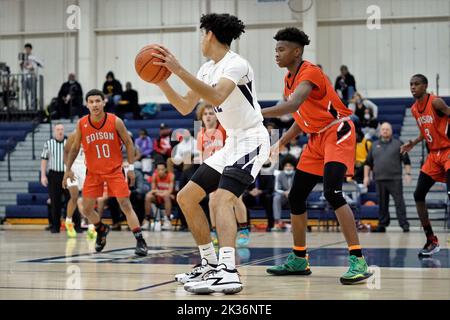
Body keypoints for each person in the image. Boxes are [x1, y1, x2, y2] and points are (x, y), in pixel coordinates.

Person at [151, 13, 270, 294]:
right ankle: (209, 264)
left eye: (201, 34)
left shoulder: (237, 64)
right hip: (232, 145)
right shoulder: (206, 69)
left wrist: (178, 70)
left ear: (210, 35)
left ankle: (228, 270)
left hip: (252, 138)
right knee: (187, 197)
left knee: (220, 199)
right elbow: (183, 106)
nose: (200, 41)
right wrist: (161, 81)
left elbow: (217, 97)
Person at [261, 27, 372, 284]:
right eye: (275, 49)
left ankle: (358, 260)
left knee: (333, 193)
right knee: (296, 196)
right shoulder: (288, 78)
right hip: (316, 138)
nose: (276, 54)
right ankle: (299, 259)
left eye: (281, 49)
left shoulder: (310, 72)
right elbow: (300, 119)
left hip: (337, 130)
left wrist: (257, 112)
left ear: (296, 51)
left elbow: (292, 106)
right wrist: (279, 143)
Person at [63, 89, 148, 256]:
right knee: (87, 209)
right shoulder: (81, 124)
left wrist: (130, 168)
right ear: (87, 105)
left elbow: (129, 144)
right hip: (93, 172)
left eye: (97, 101)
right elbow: (73, 149)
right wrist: (67, 170)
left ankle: (140, 240)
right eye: (91, 102)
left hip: (114, 170)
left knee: (125, 204)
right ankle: (102, 229)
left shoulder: (115, 121)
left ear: (104, 102)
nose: (95, 104)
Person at [400, 74, 450, 257]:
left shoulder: (436, 102)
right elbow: (425, 131)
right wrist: (413, 143)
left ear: (425, 86)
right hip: (433, 156)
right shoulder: (414, 109)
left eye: (417, 84)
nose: (413, 87)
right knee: (418, 194)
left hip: (448, 151)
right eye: (411, 84)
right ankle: (431, 240)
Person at [195, 103, 250, 247]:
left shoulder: (224, 129)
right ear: (201, 117)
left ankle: (243, 230)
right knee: (212, 200)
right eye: (205, 114)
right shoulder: (200, 135)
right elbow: (202, 158)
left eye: (211, 113)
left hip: (230, 168)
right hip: (213, 170)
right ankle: (213, 232)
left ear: (217, 116)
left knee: (236, 199)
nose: (208, 116)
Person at [364, 122, 411, 232]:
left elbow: (406, 161)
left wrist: (408, 174)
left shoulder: (399, 144)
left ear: (391, 131)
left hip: (395, 179)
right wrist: (366, 177)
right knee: (382, 203)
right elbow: (367, 163)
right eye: (383, 129)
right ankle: (382, 224)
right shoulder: (374, 145)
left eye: (387, 129)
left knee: (399, 202)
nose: (385, 131)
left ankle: (404, 224)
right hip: (379, 179)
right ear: (380, 131)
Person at [63, 132, 96, 239]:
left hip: (86, 168)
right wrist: (68, 170)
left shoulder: (93, 136)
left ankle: (91, 227)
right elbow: (66, 152)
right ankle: (68, 221)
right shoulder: (73, 135)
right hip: (73, 167)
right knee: (74, 196)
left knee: (89, 198)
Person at [40, 123, 68, 233]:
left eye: (61, 129)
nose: (60, 131)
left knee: (71, 199)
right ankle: (55, 226)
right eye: (58, 129)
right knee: (55, 201)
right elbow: (44, 159)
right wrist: (43, 175)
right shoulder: (48, 143)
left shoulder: (68, 142)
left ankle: (76, 225)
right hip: (54, 175)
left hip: (66, 174)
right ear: (54, 131)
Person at [144, 162, 175, 231]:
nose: (160, 171)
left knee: (166, 196)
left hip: (169, 199)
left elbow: (170, 191)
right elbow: (153, 190)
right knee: (148, 196)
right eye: (158, 170)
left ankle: (167, 220)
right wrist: (163, 192)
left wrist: (158, 191)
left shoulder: (171, 175)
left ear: (166, 169)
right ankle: (147, 219)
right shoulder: (155, 175)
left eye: (162, 169)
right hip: (158, 198)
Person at [272, 157, 296, 231]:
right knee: (276, 198)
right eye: (286, 166)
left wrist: (291, 192)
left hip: (294, 195)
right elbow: (276, 188)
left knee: (298, 198)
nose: (288, 168)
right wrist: (284, 192)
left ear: (293, 166)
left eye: (290, 166)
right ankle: (277, 222)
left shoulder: (297, 174)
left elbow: (300, 186)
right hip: (284, 196)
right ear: (284, 167)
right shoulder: (279, 175)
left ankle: (295, 223)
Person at [20, 43, 43, 110]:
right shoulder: (23, 58)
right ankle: (27, 107)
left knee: (33, 93)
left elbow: (36, 66)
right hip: (25, 77)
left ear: (30, 49)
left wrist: (29, 67)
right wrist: (22, 65)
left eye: (28, 49)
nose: (27, 50)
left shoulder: (34, 57)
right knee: (26, 93)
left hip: (32, 76)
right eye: (26, 49)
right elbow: (22, 68)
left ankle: (33, 107)